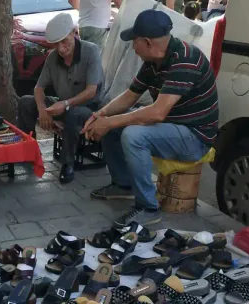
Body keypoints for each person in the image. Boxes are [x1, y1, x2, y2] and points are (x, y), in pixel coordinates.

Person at [82, 9, 218, 226]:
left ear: (146, 42)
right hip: (172, 127)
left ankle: (148, 207)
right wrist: (100, 116)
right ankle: (123, 184)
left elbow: (157, 112)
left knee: (133, 135)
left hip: (194, 137)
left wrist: (111, 121)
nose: (132, 47)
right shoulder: (153, 63)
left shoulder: (185, 59)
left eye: (133, 41)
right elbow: (128, 97)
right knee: (114, 124)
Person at [17, 13, 103, 184]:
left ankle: (67, 164)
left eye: (64, 42)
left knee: (73, 114)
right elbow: (39, 87)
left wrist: (65, 104)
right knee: (26, 102)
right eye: (57, 44)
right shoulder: (53, 57)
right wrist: (42, 110)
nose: (62, 48)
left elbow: (92, 91)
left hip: (88, 110)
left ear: (74, 32)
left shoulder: (90, 51)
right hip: (63, 104)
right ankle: (28, 152)